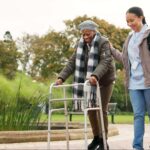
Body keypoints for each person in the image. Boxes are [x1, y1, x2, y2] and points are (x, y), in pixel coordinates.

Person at [55, 20, 115, 150]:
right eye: (83, 34)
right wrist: (61, 78)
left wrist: (95, 75)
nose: (85, 37)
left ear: (94, 32)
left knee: (100, 110)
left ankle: (104, 142)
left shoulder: (103, 42)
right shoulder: (80, 44)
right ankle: (96, 138)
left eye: (88, 34)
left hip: (104, 82)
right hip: (89, 83)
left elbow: (105, 61)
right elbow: (72, 62)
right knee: (91, 111)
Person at [110, 6, 150, 150]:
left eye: (132, 20)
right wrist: (112, 49)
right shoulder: (130, 38)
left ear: (141, 17)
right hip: (134, 83)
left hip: (148, 82)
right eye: (127, 21)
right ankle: (137, 147)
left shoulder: (148, 35)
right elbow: (125, 60)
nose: (130, 24)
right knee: (138, 116)